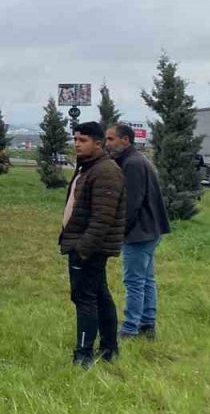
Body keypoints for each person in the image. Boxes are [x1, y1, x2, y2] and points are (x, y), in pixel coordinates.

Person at [62, 122, 127, 368]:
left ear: (98, 143)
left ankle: (84, 354)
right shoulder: (88, 167)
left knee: (84, 298)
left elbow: (102, 218)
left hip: (89, 248)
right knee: (99, 294)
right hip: (83, 243)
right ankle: (109, 348)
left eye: (83, 140)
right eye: (75, 139)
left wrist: (82, 249)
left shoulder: (106, 171)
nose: (77, 144)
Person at [106, 123, 171, 340]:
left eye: (111, 139)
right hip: (150, 229)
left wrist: (119, 231)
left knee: (134, 282)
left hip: (139, 232)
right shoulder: (136, 159)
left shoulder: (132, 163)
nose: (107, 144)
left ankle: (130, 328)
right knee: (146, 279)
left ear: (125, 140)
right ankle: (147, 325)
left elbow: (131, 203)